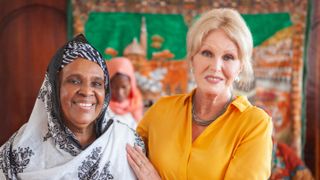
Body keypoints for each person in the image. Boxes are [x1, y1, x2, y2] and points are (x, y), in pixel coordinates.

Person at [126, 8, 273, 179]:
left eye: (228, 57)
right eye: (207, 53)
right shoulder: (160, 110)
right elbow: (121, 163)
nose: (215, 66)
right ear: (191, 59)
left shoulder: (254, 124)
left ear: (240, 67)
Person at [0, 34, 144, 179]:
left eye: (96, 83)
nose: (87, 92)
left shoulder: (127, 143)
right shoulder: (18, 151)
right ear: (54, 89)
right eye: (74, 81)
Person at [106, 57, 143, 126]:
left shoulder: (136, 102)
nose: (120, 92)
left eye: (124, 87)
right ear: (107, 84)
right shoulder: (102, 106)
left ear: (131, 84)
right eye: (114, 87)